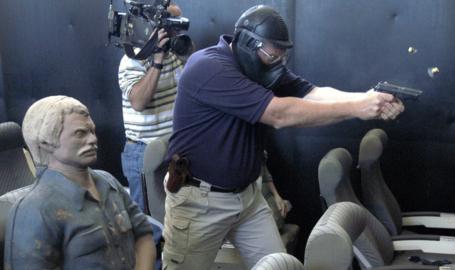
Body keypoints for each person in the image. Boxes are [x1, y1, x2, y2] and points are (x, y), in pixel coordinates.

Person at [162, 5, 404, 270]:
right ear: (247, 44)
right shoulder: (209, 67)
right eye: (271, 55)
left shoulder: (260, 66)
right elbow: (281, 114)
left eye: (281, 56)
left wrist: (368, 99)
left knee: (281, 266)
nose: (277, 63)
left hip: (247, 197)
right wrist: (358, 109)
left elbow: (312, 93)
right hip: (200, 201)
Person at [4, 96, 155, 270]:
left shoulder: (108, 182)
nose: (93, 140)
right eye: (80, 133)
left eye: (92, 131)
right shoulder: (34, 210)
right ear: (46, 142)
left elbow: (143, 234)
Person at [118, 3, 185, 212]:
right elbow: (138, 102)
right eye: (169, 25)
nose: (175, 31)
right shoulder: (132, 60)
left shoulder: (174, 56)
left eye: (176, 24)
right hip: (143, 151)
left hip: (172, 149)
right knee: (147, 221)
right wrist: (157, 61)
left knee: (172, 216)